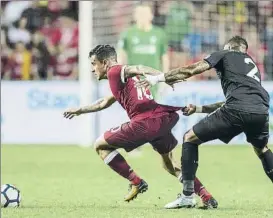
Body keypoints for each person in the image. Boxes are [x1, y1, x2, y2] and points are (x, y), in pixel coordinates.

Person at [63, 44, 217, 208]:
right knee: (169, 164)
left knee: (100, 145)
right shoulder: (121, 80)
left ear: (105, 62)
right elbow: (104, 102)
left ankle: (136, 182)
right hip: (160, 119)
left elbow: (138, 67)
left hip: (144, 122)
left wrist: (164, 76)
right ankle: (205, 196)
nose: (93, 69)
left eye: (94, 63)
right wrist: (80, 110)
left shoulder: (114, 71)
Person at [136, 36, 272, 208]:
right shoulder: (251, 66)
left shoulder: (225, 53)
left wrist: (157, 78)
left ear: (229, 47)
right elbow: (237, 101)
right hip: (260, 111)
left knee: (190, 138)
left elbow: (192, 69)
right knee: (261, 149)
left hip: (237, 109)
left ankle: (187, 196)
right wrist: (199, 109)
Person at [117, 3, 169, 99]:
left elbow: (164, 58)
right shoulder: (127, 33)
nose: (142, 16)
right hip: (133, 80)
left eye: (145, 14)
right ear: (135, 16)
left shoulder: (160, 34)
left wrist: (165, 78)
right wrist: (118, 77)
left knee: (153, 109)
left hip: (153, 79)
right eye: (140, 14)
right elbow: (121, 57)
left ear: (151, 15)